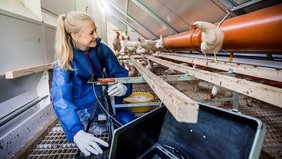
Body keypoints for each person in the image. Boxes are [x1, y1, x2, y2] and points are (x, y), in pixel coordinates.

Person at [50, 11, 136, 157]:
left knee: (133, 127)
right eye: (91, 33)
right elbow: (60, 99)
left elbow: (120, 73)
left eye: (95, 30)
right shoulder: (65, 60)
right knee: (92, 150)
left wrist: (123, 87)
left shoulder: (101, 49)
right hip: (83, 114)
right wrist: (76, 132)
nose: (96, 35)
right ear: (74, 35)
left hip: (106, 103)